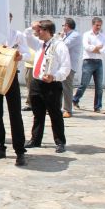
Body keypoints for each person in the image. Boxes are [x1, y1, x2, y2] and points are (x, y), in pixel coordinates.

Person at [0, 14, 29, 166]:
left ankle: (19, 150)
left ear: (11, 19)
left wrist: (20, 56)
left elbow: (27, 53)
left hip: (11, 76)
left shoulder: (17, 35)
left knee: (15, 113)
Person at [24, 20, 71, 153]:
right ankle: (35, 139)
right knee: (37, 113)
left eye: (40, 30)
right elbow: (26, 36)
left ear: (48, 31)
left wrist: (55, 76)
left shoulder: (59, 46)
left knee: (55, 113)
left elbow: (66, 67)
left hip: (51, 84)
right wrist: (31, 27)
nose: (37, 32)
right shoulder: (40, 44)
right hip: (37, 82)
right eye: (37, 30)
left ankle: (60, 142)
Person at [72, 17, 105, 113]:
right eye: (97, 25)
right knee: (84, 84)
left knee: (99, 86)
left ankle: (97, 107)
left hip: (98, 62)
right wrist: (97, 48)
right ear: (93, 25)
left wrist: (96, 49)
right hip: (88, 61)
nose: (98, 27)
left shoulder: (102, 36)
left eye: (100, 25)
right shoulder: (87, 35)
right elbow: (87, 47)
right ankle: (75, 100)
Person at [61, 18, 82, 118]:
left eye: (63, 25)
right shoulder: (66, 35)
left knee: (67, 88)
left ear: (67, 26)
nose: (62, 28)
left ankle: (68, 110)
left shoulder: (75, 35)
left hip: (69, 66)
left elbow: (63, 46)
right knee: (59, 87)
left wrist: (60, 38)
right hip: (62, 65)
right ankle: (58, 108)